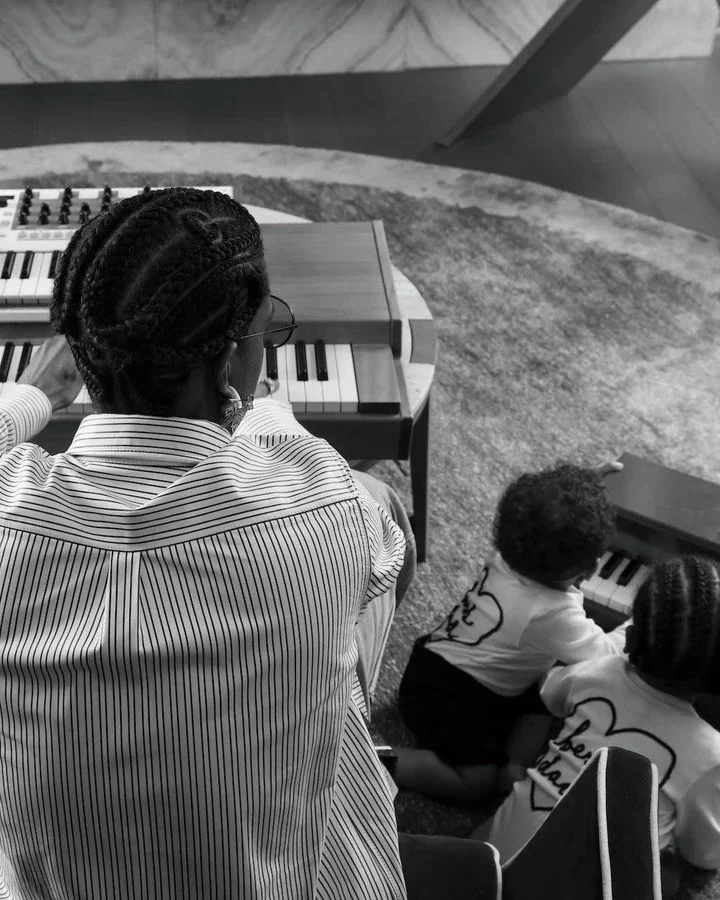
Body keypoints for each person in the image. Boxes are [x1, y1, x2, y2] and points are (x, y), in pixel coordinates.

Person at [0, 187, 417, 899]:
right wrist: (251, 406)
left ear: (80, 347)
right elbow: (376, 541)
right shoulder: (323, 505)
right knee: (385, 519)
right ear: (233, 359)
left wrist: (34, 397)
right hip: (290, 881)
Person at [394, 462, 629, 803]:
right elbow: (607, 654)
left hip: (433, 665)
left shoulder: (508, 554)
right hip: (450, 701)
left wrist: (587, 482)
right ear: (591, 567)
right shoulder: (552, 614)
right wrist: (635, 623)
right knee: (477, 785)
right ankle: (380, 762)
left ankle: (513, 764)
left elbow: (546, 511)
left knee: (548, 686)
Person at [485, 555, 720, 885]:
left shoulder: (597, 671)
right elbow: (703, 854)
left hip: (491, 858)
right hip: (579, 888)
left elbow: (548, 694)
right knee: (673, 878)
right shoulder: (711, 755)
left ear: (633, 637)